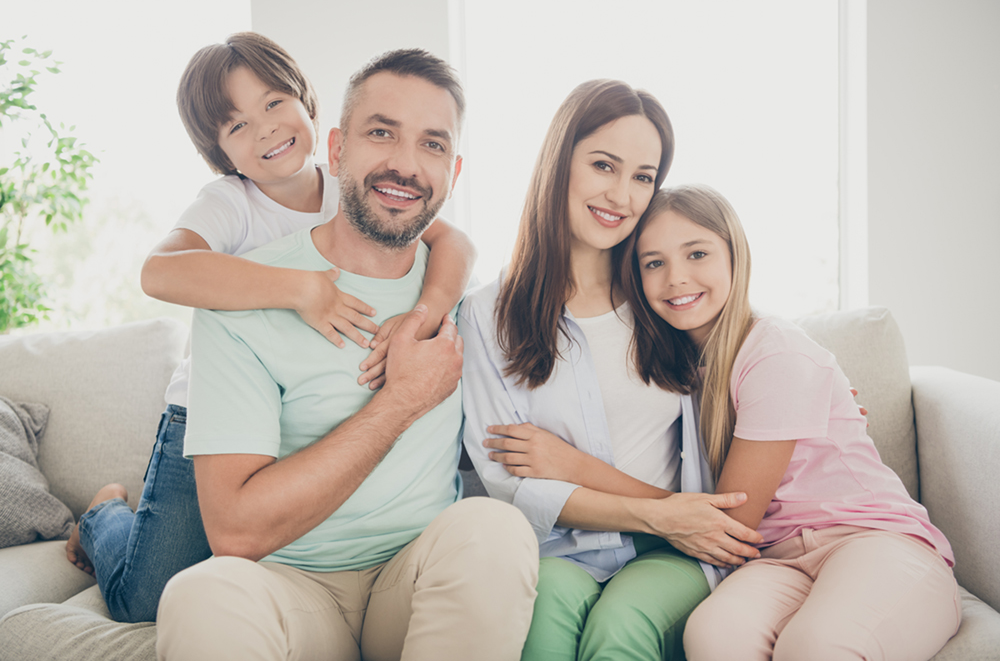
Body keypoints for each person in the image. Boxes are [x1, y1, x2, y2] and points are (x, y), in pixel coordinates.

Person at [63, 32, 476, 624]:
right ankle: (104, 516)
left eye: (274, 103)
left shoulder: (355, 184)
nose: (264, 130)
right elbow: (159, 272)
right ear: (220, 153)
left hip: (285, 420)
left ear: (311, 109)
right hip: (205, 415)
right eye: (236, 126)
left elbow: (454, 241)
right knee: (146, 597)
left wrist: (428, 311)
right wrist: (299, 288)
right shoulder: (230, 203)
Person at [154, 48, 538, 661]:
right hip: (294, 589)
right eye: (381, 132)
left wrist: (424, 314)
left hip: (412, 578)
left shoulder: (459, 300)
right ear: (336, 151)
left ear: (454, 172)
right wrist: (401, 400)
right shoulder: (239, 294)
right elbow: (234, 530)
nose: (406, 164)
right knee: (200, 594)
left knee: (495, 531)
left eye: (432, 145)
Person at [460, 80, 764, 661]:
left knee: (619, 629)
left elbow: (747, 340)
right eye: (605, 165)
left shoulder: (666, 290)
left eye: (644, 177)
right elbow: (511, 483)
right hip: (560, 551)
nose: (623, 195)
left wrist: (811, 386)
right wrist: (658, 512)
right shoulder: (486, 313)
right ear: (560, 163)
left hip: (674, 553)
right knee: (541, 629)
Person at [620, 184, 960, 660]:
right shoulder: (669, 367)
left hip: (872, 540)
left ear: (735, 256)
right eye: (653, 262)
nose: (676, 277)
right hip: (778, 559)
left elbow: (732, 523)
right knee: (714, 636)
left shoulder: (773, 348)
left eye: (697, 253)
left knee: (818, 647)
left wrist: (572, 469)